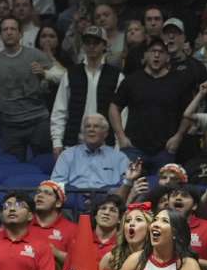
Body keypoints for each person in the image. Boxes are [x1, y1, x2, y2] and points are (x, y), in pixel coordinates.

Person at [0, 17, 53, 159]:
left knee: (43, 162)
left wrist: (45, 74)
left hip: (38, 121)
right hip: (10, 125)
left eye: (13, 29)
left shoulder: (35, 55)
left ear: (20, 34)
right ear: (0, 35)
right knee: (13, 166)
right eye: (5, 29)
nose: (9, 32)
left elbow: (60, 75)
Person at [109, 37, 195, 171]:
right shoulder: (132, 80)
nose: (156, 55)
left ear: (167, 57)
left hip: (165, 149)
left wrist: (178, 136)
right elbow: (114, 107)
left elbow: (189, 111)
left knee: (164, 184)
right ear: (145, 55)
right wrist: (120, 136)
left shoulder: (179, 82)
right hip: (133, 148)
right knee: (129, 183)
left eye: (161, 52)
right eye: (153, 51)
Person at [51, 26, 123, 153]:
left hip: (107, 146)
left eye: (96, 43)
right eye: (87, 42)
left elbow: (122, 114)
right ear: (83, 46)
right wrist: (57, 142)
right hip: (73, 145)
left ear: (104, 45)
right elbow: (60, 110)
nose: (91, 46)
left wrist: (119, 144)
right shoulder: (71, 74)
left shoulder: (117, 76)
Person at [50, 113, 129, 190]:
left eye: (96, 126)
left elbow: (126, 185)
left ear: (105, 133)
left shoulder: (119, 157)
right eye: (88, 126)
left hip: (107, 197)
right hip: (74, 196)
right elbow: (56, 184)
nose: (91, 129)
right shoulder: (67, 155)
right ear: (83, 133)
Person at [100, 201, 151, 270]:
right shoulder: (110, 259)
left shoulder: (156, 257)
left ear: (149, 227)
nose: (131, 223)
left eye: (138, 219)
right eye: (128, 220)